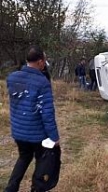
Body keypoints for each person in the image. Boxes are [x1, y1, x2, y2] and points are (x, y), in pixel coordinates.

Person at [5, 45, 60, 192]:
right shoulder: (42, 82)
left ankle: (10, 189)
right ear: (40, 62)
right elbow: (47, 113)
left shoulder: (12, 78)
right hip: (37, 135)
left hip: (18, 131)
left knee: (23, 158)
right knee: (42, 163)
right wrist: (54, 137)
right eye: (45, 61)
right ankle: (36, 189)